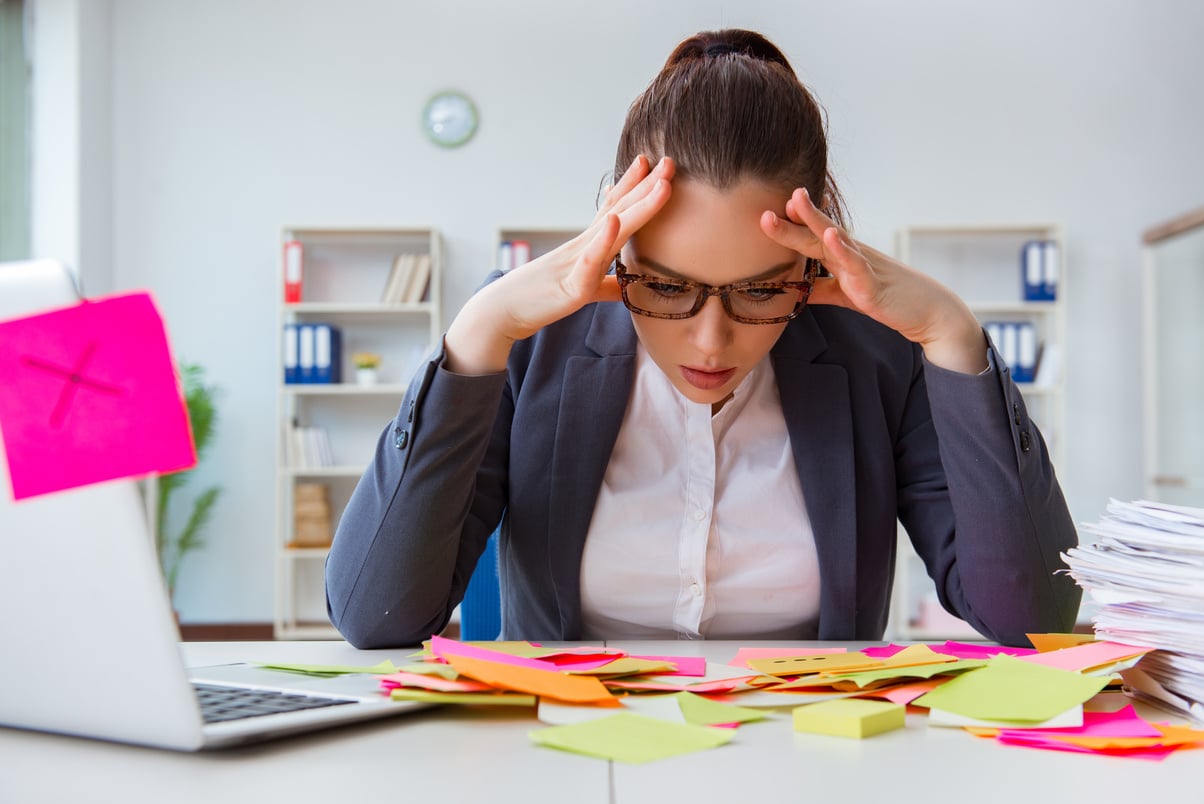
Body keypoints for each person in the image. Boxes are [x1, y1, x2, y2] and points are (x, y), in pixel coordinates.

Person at [325, 28, 1080, 649]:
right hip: (571, 754)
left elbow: (1030, 621)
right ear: (621, 247)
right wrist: (478, 331)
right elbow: (376, 614)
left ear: (808, 256)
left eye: (761, 289)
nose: (710, 340)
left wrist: (953, 336)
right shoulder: (533, 351)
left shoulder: (876, 360)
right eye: (666, 286)